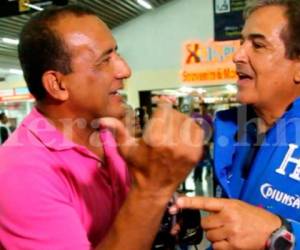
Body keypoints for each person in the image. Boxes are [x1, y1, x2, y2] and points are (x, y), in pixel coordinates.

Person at [0, 5, 203, 250]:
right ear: (57, 84)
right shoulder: (19, 173)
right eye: (104, 60)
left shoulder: (111, 135)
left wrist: (159, 211)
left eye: (117, 54)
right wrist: (152, 189)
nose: (125, 70)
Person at [172, 0, 300, 249]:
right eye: (242, 42)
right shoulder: (233, 132)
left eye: (258, 45)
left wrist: (282, 237)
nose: (237, 55)